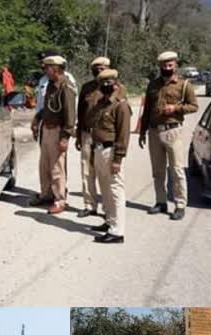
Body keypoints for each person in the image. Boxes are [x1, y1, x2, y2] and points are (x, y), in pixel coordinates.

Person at [138, 51, 198, 221]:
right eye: (164, 65)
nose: (167, 68)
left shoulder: (184, 85)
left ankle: (180, 204)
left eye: (170, 65)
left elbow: (194, 106)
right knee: (157, 171)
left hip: (173, 130)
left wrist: (176, 109)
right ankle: (160, 201)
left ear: (175, 65)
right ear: (160, 66)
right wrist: (142, 132)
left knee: (177, 169)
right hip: (154, 131)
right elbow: (147, 109)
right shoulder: (153, 84)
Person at [75, 57, 128, 218]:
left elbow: (121, 119)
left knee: (107, 178)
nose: (99, 69)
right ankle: (89, 204)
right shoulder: (87, 88)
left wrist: (119, 153)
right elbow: (80, 113)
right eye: (96, 67)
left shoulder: (118, 88)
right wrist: (78, 135)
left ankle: (108, 210)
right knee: (87, 170)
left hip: (106, 137)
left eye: (103, 67)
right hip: (87, 133)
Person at [87, 69, 131, 244]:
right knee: (105, 189)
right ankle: (109, 221)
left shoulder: (120, 106)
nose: (106, 87)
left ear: (116, 84)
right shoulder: (101, 104)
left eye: (109, 84)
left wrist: (118, 159)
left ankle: (117, 231)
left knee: (115, 191)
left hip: (111, 150)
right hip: (99, 149)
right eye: (103, 84)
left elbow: (123, 134)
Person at [30, 54, 76, 215]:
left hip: (58, 131)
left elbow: (70, 116)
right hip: (46, 129)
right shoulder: (50, 85)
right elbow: (47, 107)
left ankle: (60, 200)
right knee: (44, 166)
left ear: (55, 69)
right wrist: (37, 119)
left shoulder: (66, 88)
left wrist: (65, 137)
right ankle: (46, 194)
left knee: (57, 168)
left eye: (48, 67)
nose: (45, 70)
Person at [35, 50, 77, 117]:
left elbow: (71, 104)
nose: (42, 65)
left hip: (60, 121)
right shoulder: (43, 80)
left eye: (45, 63)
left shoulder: (68, 79)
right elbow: (40, 103)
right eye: (41, 62)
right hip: (46, 120)